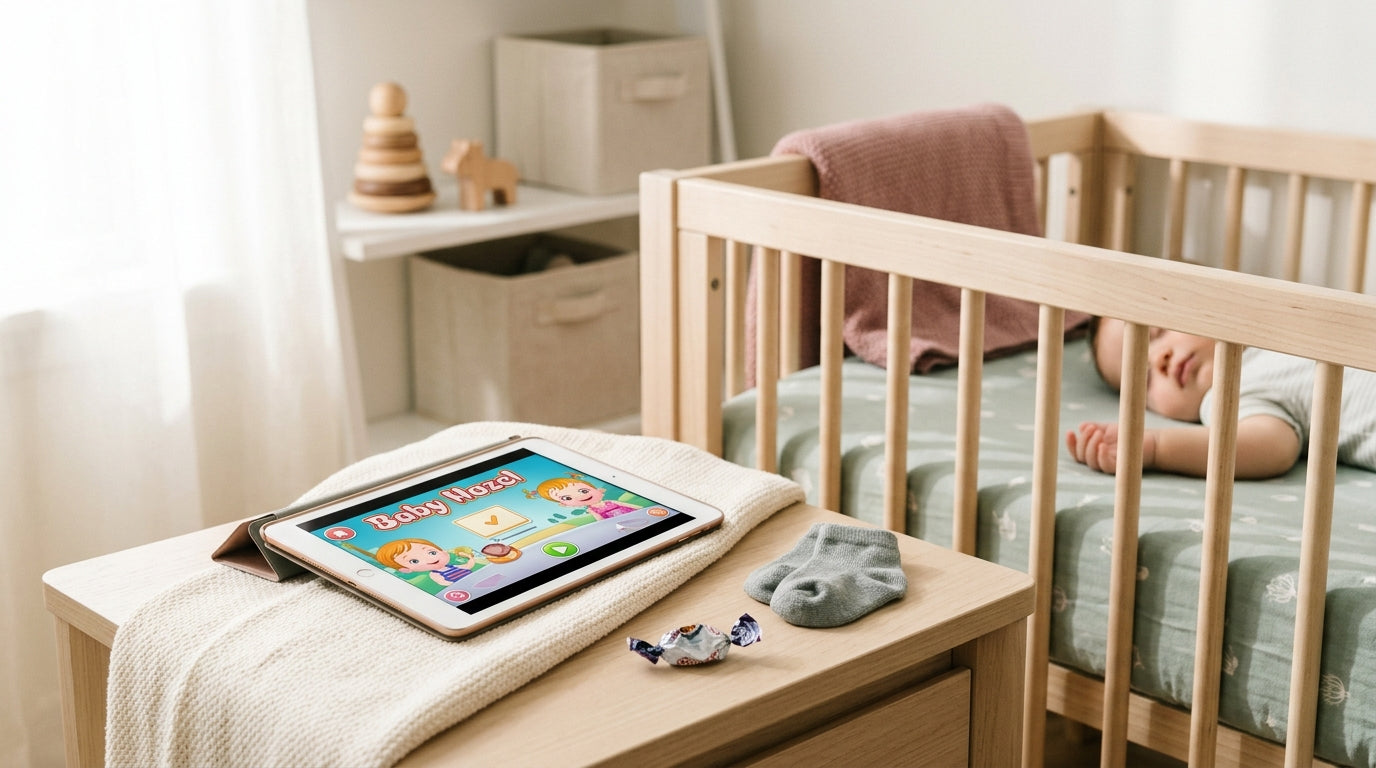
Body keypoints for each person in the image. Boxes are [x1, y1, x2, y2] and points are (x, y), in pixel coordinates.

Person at [1066, 317, 1376, 479]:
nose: (1160, 358)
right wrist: (1156, 447)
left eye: (1157, 333)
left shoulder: (1278, 324)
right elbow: (1273, 445)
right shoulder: (1225, 396)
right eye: (1143, 379)